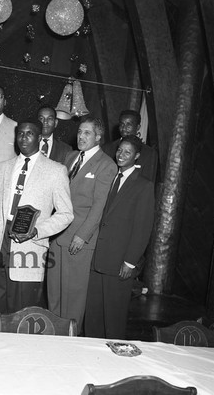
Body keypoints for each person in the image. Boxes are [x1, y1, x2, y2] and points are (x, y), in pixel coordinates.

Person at [0, 119, 74, 331]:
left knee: (21, 313)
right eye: (20, 133)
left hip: (29, 246)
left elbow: (66, 214)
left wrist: (37, 231)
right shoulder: (3, 168)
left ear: (40, 138)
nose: (23, 137)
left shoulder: (55, 171)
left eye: (29, 133)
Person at [47, 116, 117, 334]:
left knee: (73, 294)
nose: (81, 136)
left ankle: (69, 338)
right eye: (79, 132)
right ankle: (52, 332)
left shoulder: (106, 165)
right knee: (54, 291)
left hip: (79, 239)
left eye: (87, 133)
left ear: (98, 137)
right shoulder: (70, 157)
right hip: (57, 235)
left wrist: (82, 235)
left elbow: (99, 206)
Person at [85, 135, 155, 339]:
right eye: (119, 150)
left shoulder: (143, 185)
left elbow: (143, 228)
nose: (121, 155)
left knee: (113, 320)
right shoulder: (109, 177)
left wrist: (130, 262)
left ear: (137, 156)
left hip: (119, 263)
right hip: (97, 259)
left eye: (127, 152)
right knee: (93, 316)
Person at [101, 110, 158, 182]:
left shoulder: (149, 153)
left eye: (129, 125)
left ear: (138, 127)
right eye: (122, 124)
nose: (124, 128)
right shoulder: (107, 148)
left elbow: (148, 184)